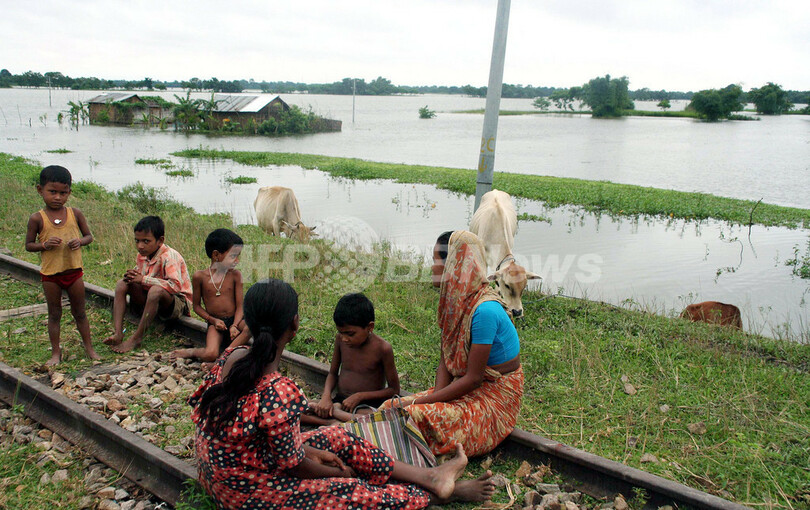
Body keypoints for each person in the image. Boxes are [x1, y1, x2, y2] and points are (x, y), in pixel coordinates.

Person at [188, 279, 495, 509]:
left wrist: (312, 452)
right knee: (348, 492)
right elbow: (294, 466)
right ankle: (435, 496)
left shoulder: (232, 357)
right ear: (294, 324)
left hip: (224, 469)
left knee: (338, 436)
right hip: (243, 492)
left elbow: (272, 443)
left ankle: (429, 476)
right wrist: (334, 473)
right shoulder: (278, 390)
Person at [384, 230, 524, 457]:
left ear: (453, 265)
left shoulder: (485, 311)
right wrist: (434, 403)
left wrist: (424, 403)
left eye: (435, 261)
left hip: (493, 399)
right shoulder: (455, 303)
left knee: (411, 416)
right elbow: (446, 362)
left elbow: (474, 379)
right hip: (466, 390)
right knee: (389, 408)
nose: (432, 268)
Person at [25, 165, 100, 366]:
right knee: (54, 313)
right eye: (52, 192)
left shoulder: (75, 214)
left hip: (74, 273)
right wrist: (44, 245)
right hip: (51, 275)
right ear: (40, 190)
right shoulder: (37, 218)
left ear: (69, 193)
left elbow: (89, 236)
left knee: (80, 312)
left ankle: (90, 349)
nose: (57, 197)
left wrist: (80, 241)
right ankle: (55, 353)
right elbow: (29, 245)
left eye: (63, 193)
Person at [307, 293, 400, 424]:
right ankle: (332, 420)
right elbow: (333, 373)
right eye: (341, 332)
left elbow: (394, 390)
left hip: (366, 406)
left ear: (370, 327)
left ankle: (335, 415)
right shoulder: (340, 340)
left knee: (373, 420)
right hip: (340, 400)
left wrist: (359, 396)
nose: (344, 338)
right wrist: (326, 396)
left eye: (350, 334)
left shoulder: (383, 348)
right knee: (298, 409)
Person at [104, 216, 192, 354]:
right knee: (122, 284)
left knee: (155, 291)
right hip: (152, 297)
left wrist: (143, 279)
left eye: (146, 241)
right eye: (137, 241)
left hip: (177, 302)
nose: (140, 246)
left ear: (160, 240)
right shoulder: (142, 255)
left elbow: (175, 286)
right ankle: (118, 333)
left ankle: (136, 339)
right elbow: (141, 277)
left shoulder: (169, 256)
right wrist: (132, 277)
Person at [171, 228, 247, 363]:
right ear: (216, 255)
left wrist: (235, 325)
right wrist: (213, 320)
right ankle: (191, 352)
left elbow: (240, 306)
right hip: (215, 321)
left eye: (238, 256)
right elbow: (196, 307)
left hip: (236, 320)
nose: (237, 260)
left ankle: (225, 355)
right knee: (211, 354)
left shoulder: (236, 275)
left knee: (251, 327)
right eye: (233, 256)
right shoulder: (200, 277)